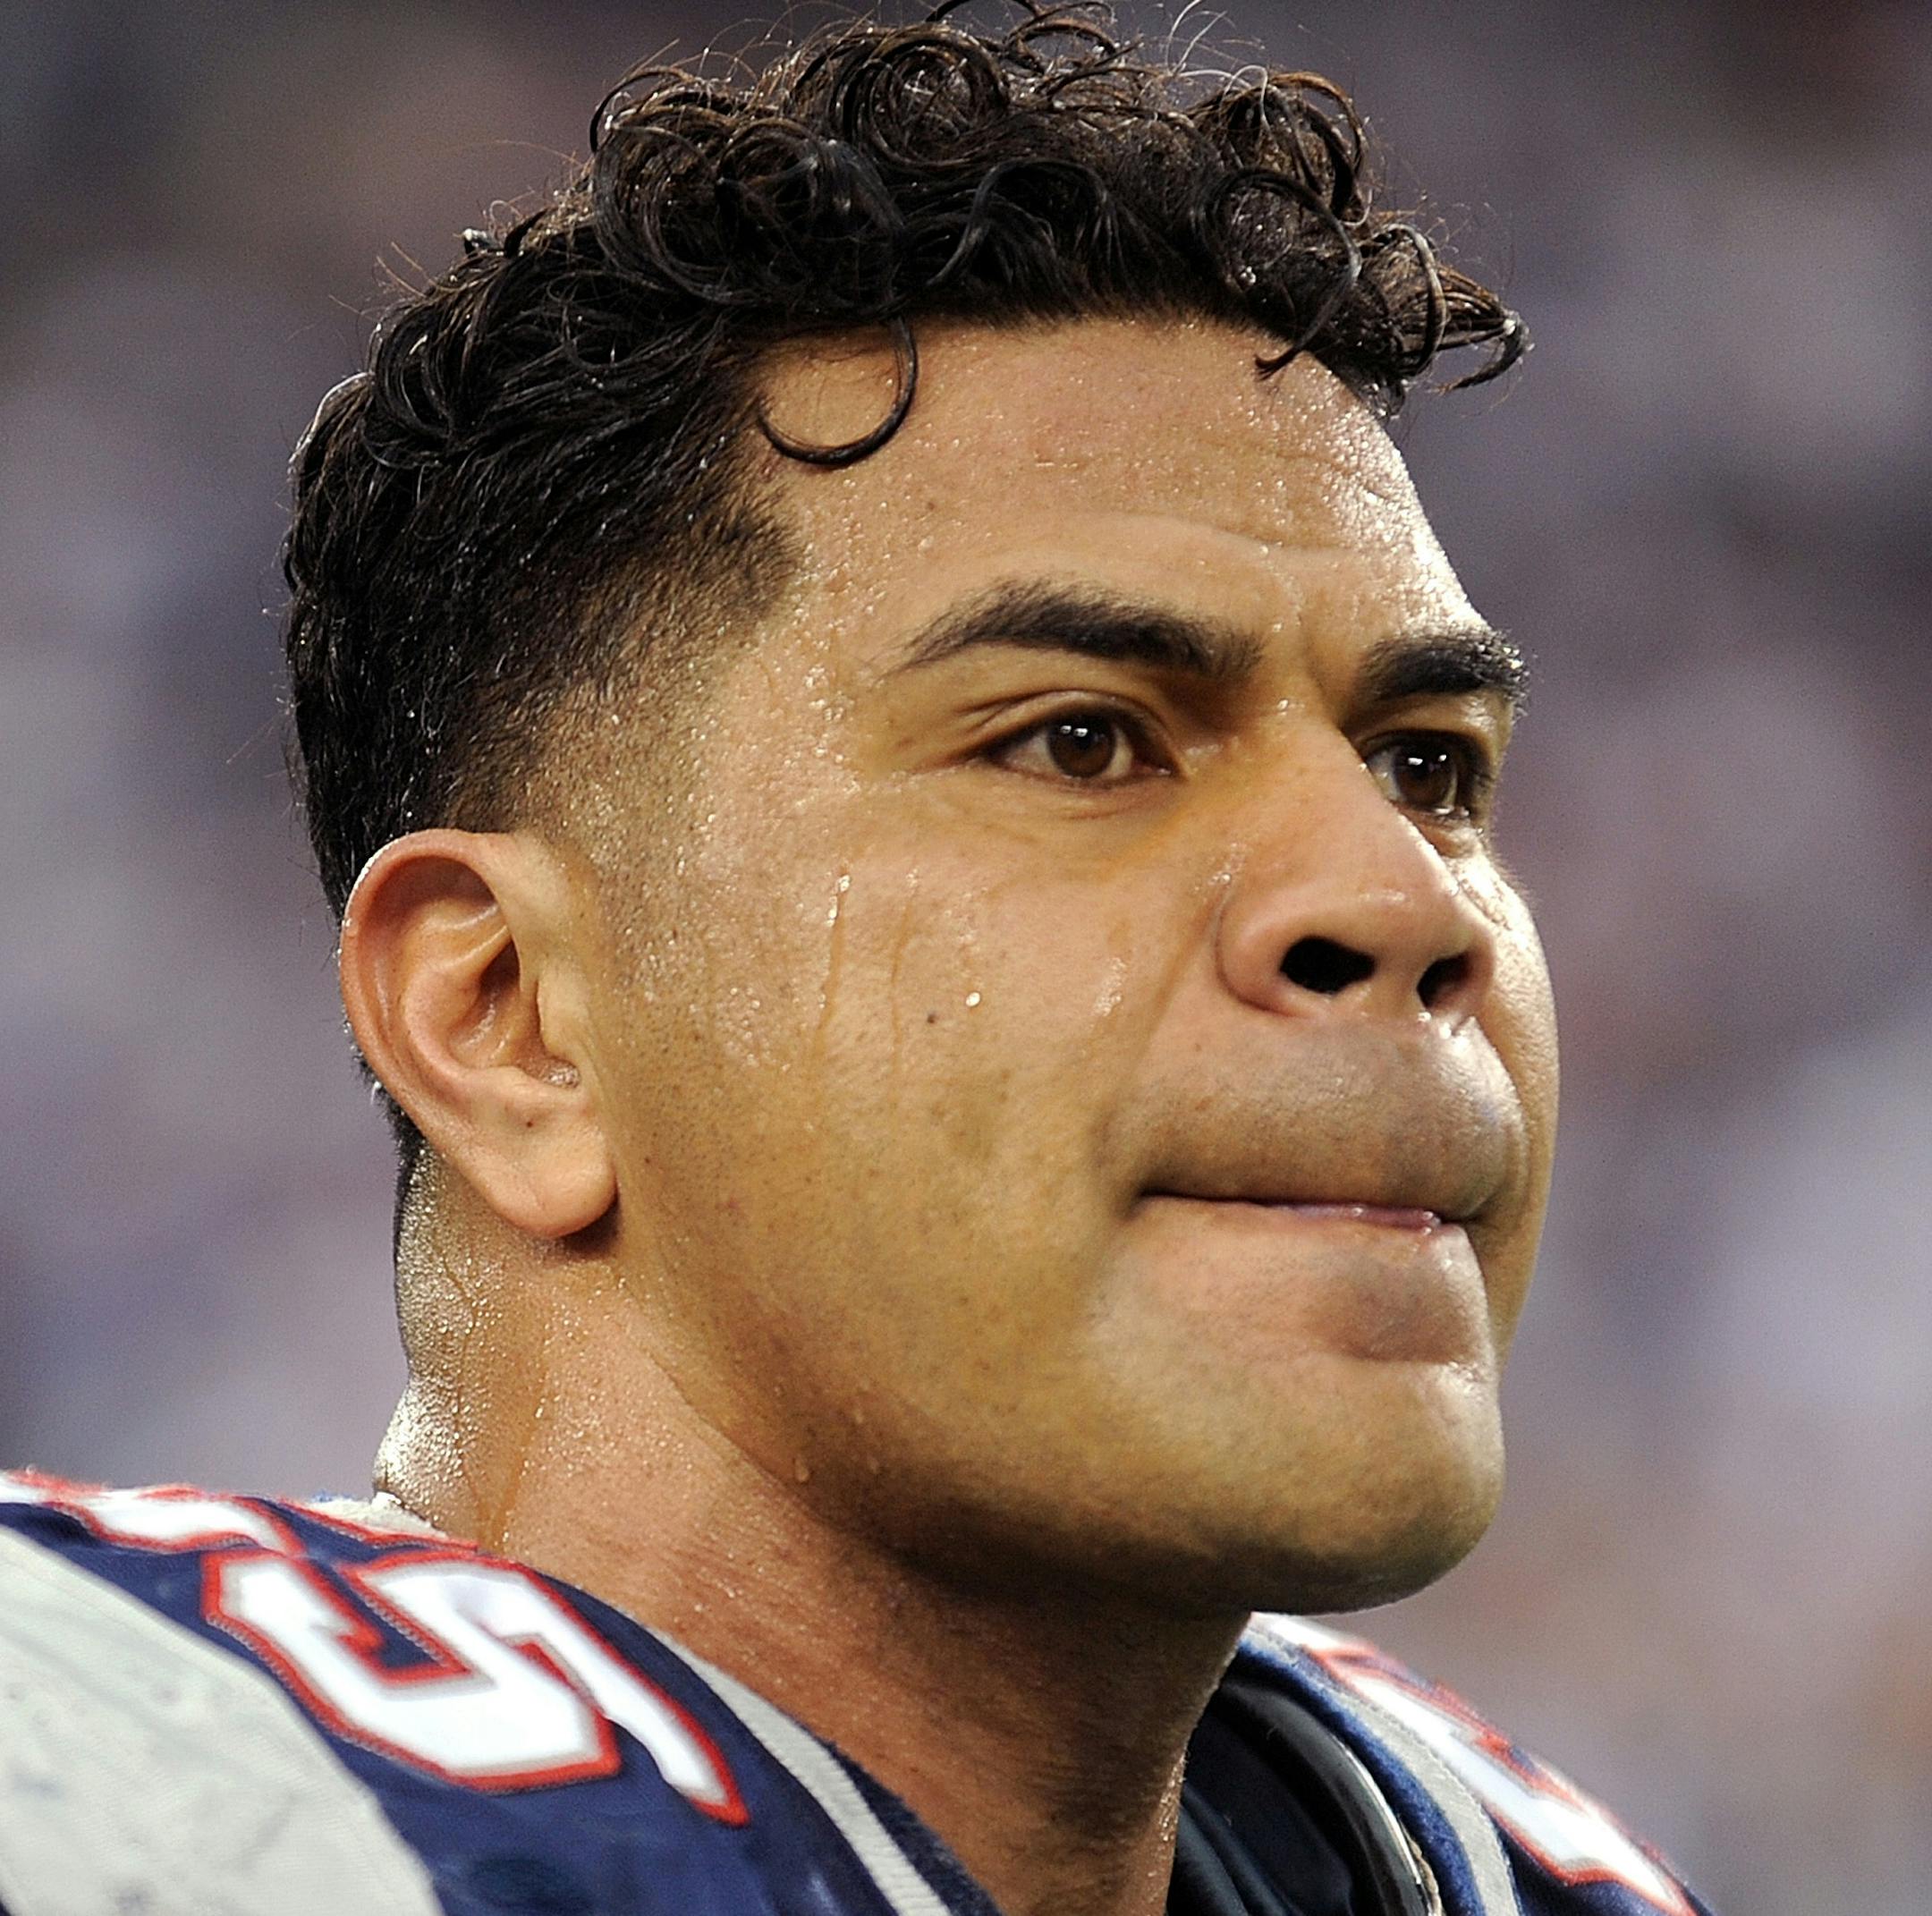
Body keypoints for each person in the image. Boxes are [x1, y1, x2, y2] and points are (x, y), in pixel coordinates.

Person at [0, 7, 1713, 1914]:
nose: (1398, 904)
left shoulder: (1471, 1857)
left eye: (1427, 767)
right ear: (509, 1021)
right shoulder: (114, 1791)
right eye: (1081, 741)